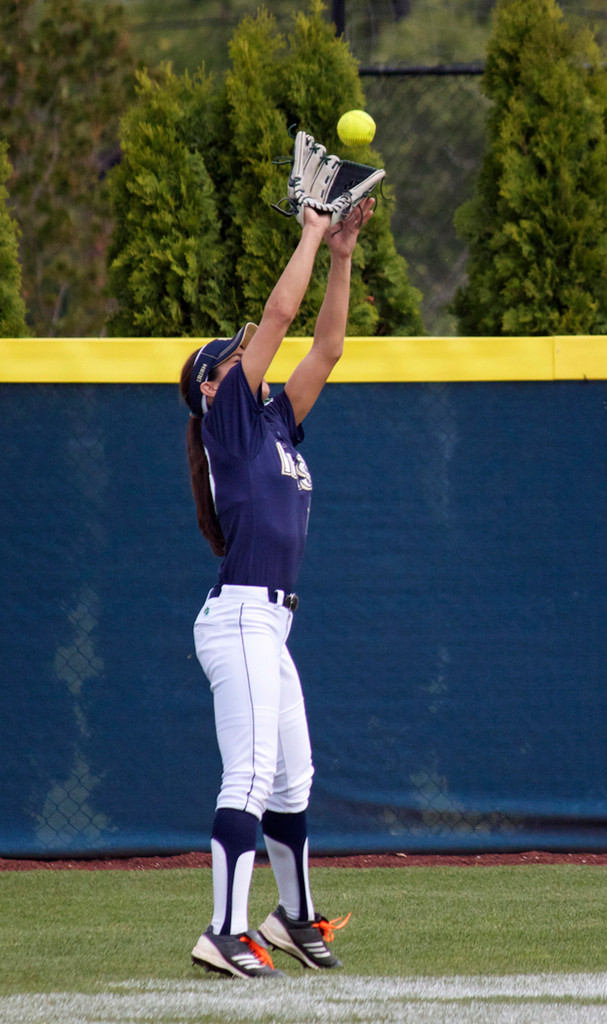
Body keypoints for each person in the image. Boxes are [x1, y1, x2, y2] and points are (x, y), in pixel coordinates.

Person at [179, 197, 375, 979]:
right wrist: (307, 228)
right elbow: (281, 313)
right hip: (239, 621)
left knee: (293, 778)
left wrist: (342, 254)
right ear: (207, 388)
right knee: (251, 774)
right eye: (230, 357)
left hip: (271, 625)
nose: (245, 357)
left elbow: (324, 347)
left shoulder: (272, 425)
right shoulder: (223, 419)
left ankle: (291, 919)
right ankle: (222, 931)